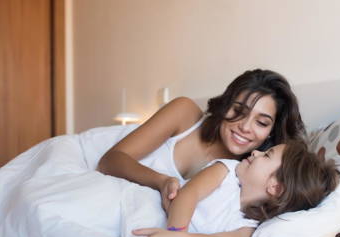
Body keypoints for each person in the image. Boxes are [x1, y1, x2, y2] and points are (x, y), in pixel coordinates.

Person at [98, 69, 306, 209]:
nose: (244, 127)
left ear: (271, 131)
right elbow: (110, 160)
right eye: (239, 110)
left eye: (261, 123)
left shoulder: (248, 176)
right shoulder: (184, 113)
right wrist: (161, 182)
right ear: (226, 104)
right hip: (103, 190)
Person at [132, 140, 340, 237]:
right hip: (153, 213)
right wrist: (176, 235)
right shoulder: (226, 170)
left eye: (266, 155)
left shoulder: (249, 228)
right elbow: (189, 194)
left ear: (275, 187)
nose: (255, 152)